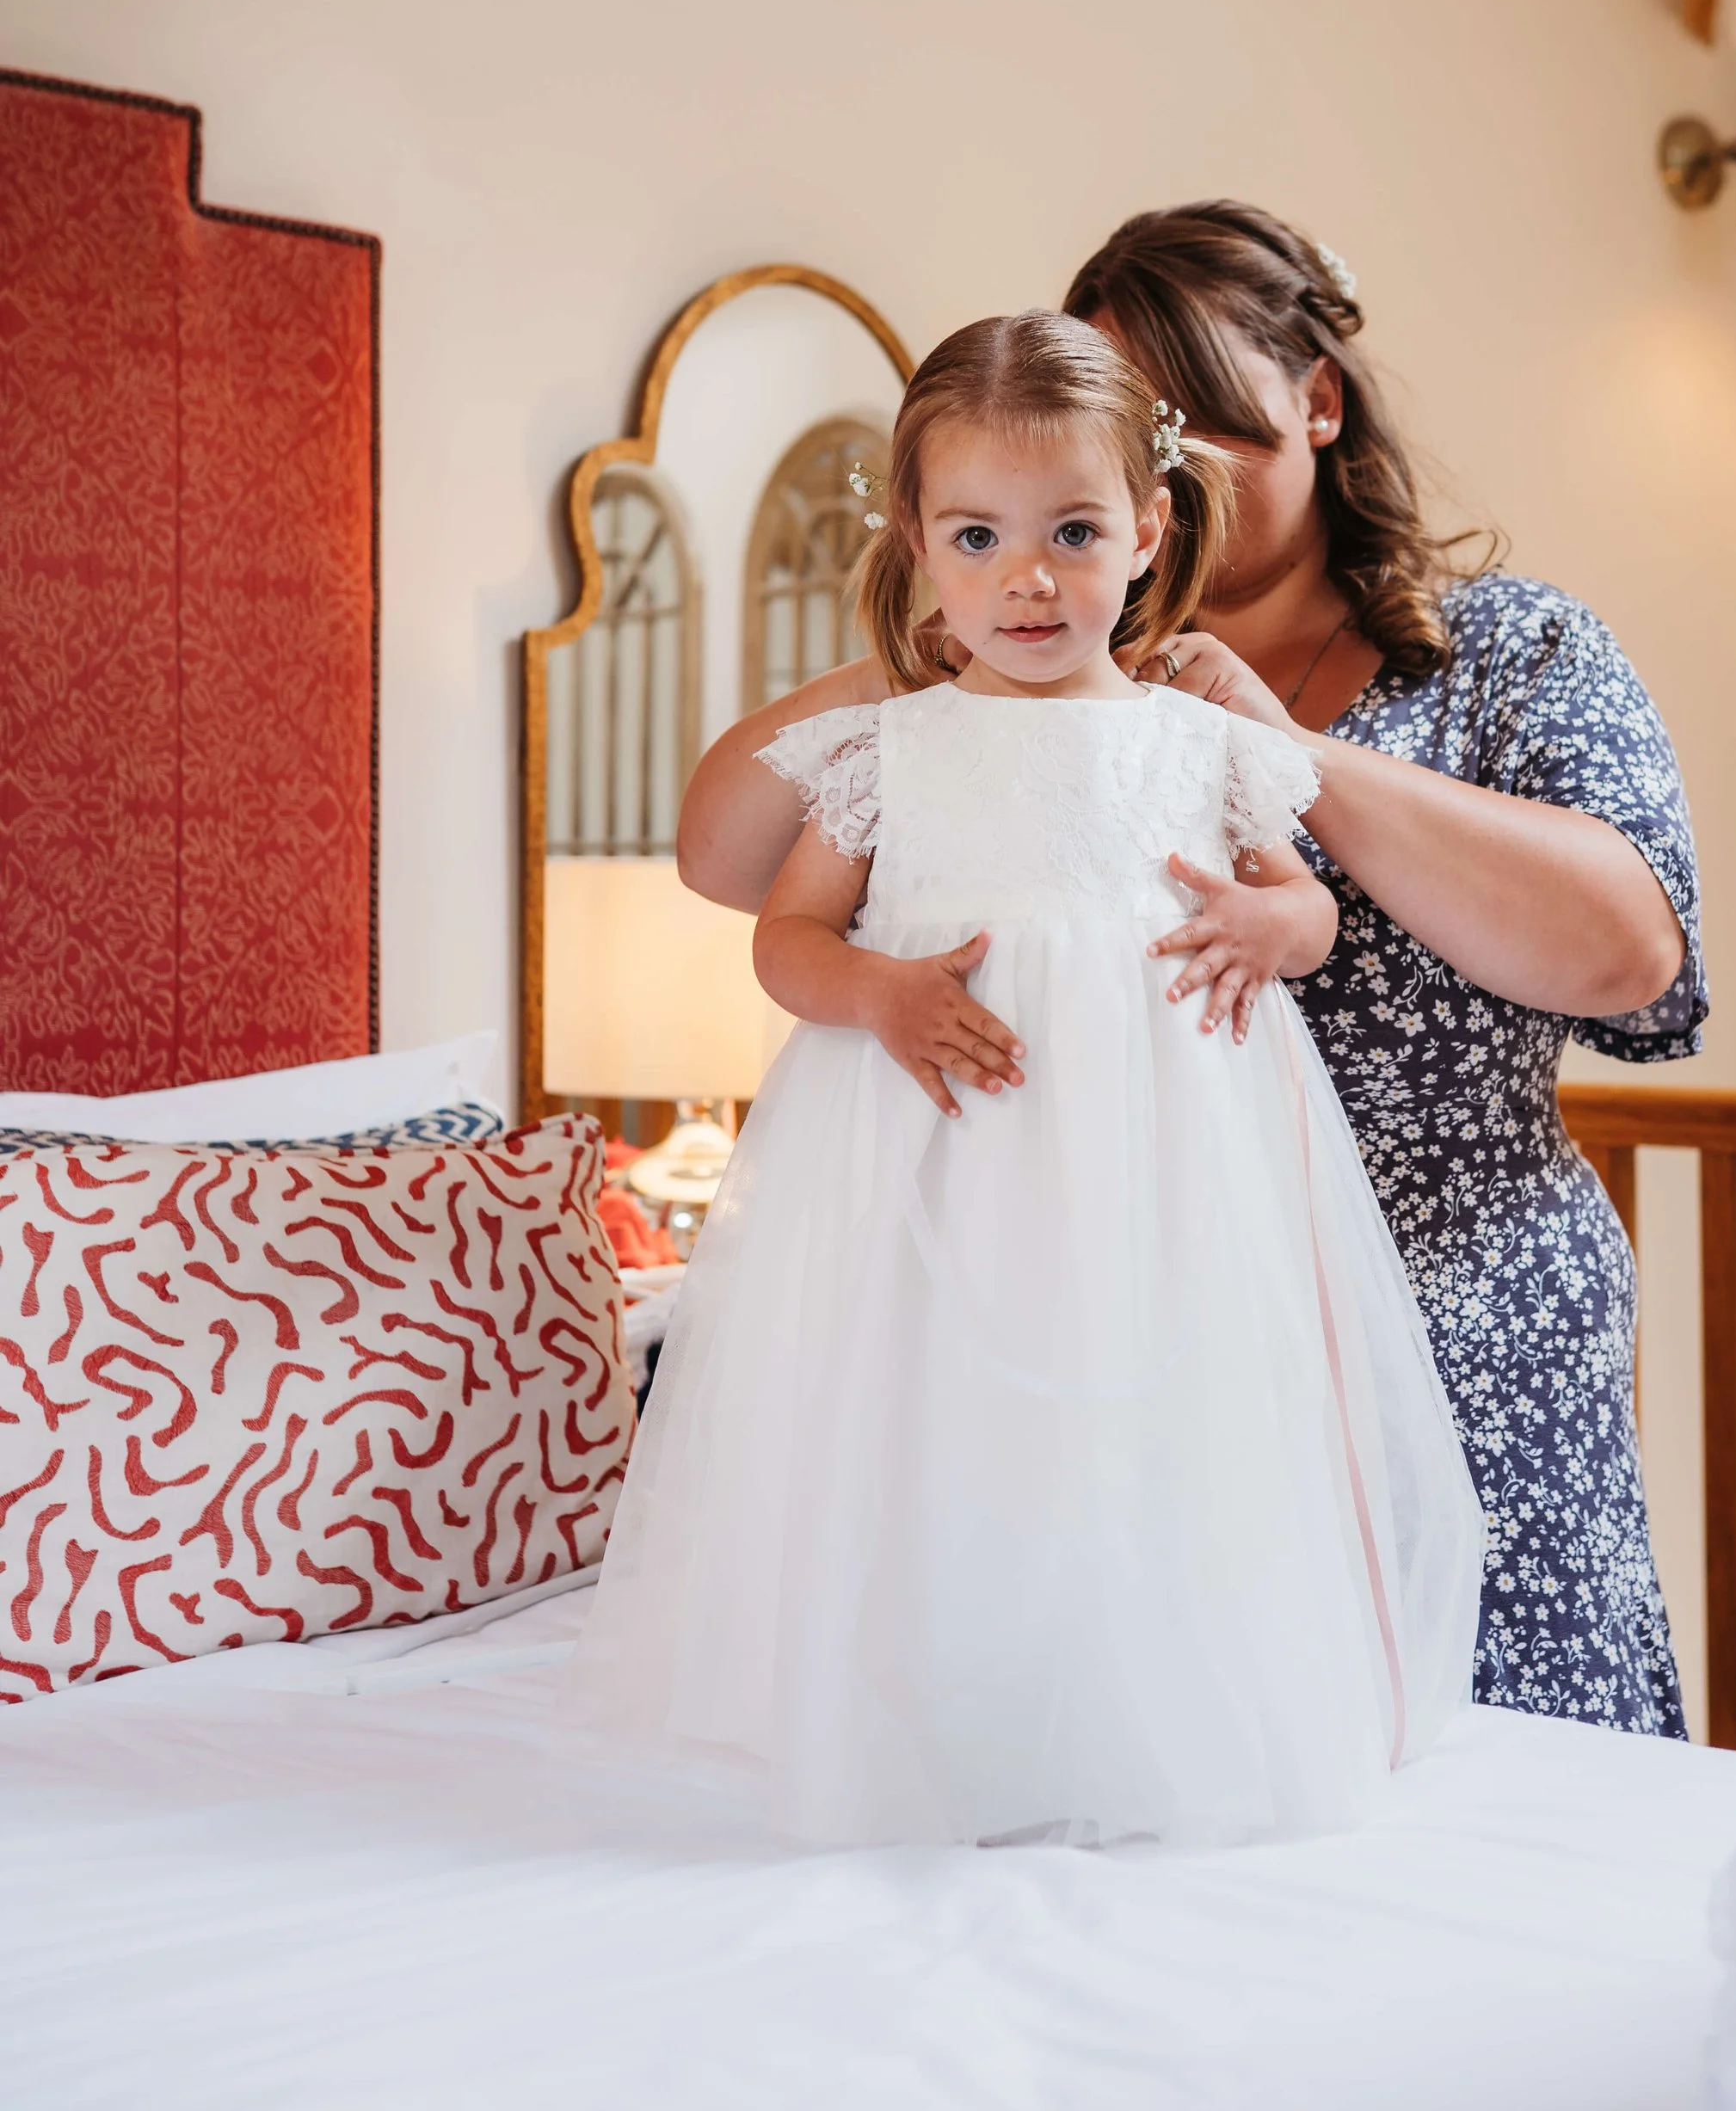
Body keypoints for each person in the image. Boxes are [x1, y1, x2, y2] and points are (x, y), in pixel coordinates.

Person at [681, 205, 1702, 1742]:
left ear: (1316, 400)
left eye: (1202, 425)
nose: (1186, 470)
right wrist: (969, 633)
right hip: (1120, 1323)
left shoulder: (1509, 652)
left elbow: (1628, 954)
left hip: (1452, 1321)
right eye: (1136, 437)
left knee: (1496, 1794)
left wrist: (1278, 755)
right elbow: (725, 851)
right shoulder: (1013, 675)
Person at [569, 311, 1485, 1848]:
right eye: (981, 536)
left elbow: (1310, 908)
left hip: (1163, 1166)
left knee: (1150, 1427)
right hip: (946, 1157)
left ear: (1146, 528)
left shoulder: (1197, 739)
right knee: (948, 1424)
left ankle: (1137, 1719)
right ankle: (948, 1719)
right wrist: (878, 989)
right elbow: (785, 939)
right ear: (920, 548)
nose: (1032, 577)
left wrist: (1276, 921)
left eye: (1073, 530)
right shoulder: (885, 749)